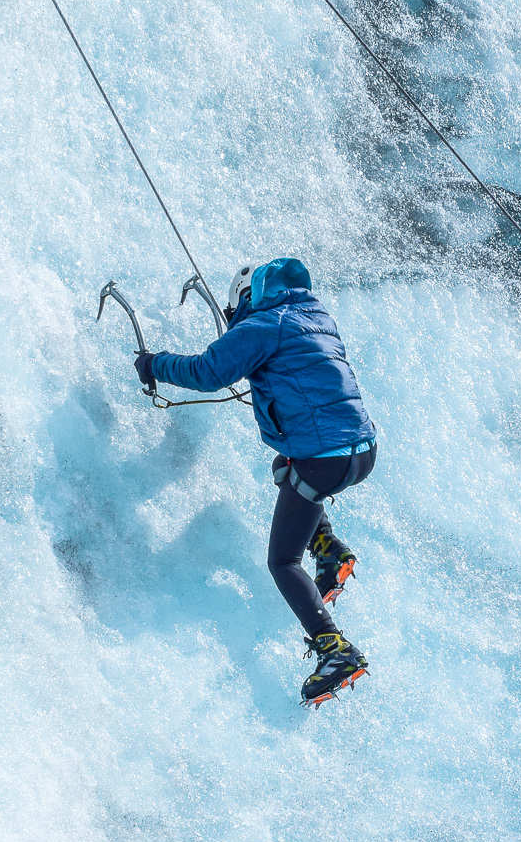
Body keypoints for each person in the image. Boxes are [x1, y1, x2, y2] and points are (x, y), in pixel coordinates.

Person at [138, 257, 378, 704]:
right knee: (285, 467)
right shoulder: (314, 315)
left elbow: (207, 373)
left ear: (243, 303)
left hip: (322, 460)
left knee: (282, 562)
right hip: (361, 452)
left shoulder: (262, 327)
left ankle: (335, 649)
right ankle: (329, 550)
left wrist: (154, 364)